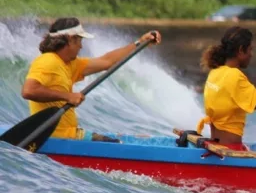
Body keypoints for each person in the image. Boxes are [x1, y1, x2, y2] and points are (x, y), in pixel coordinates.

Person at [21, 17, 162, 142]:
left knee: (114, 142)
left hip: (72, 135)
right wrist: (67, 96)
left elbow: (107, 61)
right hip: (56, 139)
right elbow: (28, 91)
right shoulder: (47, 61)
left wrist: (139, 43)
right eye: (79, 41)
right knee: (115, 145)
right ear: (70, 39)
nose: (81, 46)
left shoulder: (70, 64)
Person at [196, 26, 256, 151]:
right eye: (250, 50)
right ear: (241, 50)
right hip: (230, 150)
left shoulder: (216, 72)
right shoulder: (235, 76)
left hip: (215, 147)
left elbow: (247, 99)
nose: (251, 55)